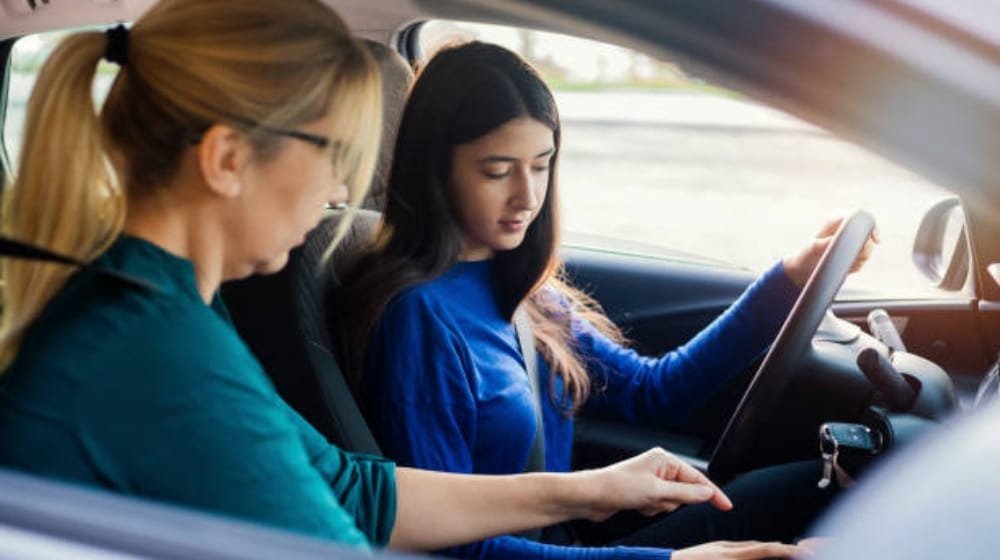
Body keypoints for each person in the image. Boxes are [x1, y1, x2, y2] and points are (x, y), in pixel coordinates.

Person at [0, 1, 769, 555]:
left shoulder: (161, 310)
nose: (342, 192)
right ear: (228, 159)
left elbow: (354, 489)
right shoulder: (154, 350)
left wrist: (590, 490)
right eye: (335, 155)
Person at [337, 41, 876, 559]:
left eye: (542, 164)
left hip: (566, 542)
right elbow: (449, 546)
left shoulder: (521, 287)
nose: (527, 195)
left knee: (824, 484)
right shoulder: (418, 320)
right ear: (437, 171)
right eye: (497, 171)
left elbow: (653, 391)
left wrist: (790, 278)